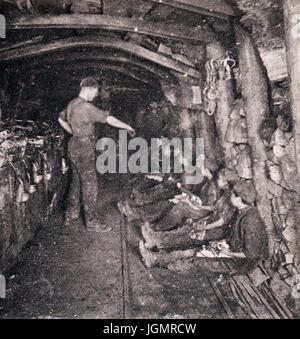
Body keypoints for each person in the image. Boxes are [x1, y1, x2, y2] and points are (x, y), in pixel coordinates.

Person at [58, 77, 135, 233]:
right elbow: (109, 119)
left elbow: (60, 119)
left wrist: (74, 133)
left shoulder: (72, 104)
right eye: (95, 92)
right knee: (90, 184)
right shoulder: (86, 107)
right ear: (90, 88)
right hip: (84, 147)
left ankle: (71, 214)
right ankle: (92, 222)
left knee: (76, 181)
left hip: (73, 144)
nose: (95, 95)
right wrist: (127, 127)